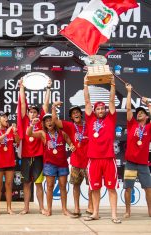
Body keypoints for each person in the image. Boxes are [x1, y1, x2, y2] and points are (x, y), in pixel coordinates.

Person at [83, 75, 121, 224]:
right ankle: (96, 213)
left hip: (108, 159)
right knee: (95, 188)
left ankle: (114, 215)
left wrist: (112, 85)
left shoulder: (110, 119)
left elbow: (111, 101)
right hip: (93, 159)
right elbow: (87, 101)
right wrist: (85, 84)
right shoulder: (90, 119)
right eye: (97, 109)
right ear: (94, 110)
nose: (100, 110)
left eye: (102, 108)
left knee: (112, 188)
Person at [27, 114, 75, 216]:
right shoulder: (43, 134)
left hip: (62, 164)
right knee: (49, 187)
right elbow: (29, 134)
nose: (49, 122)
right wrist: (32, 124)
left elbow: (70, 143)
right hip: (49, 165)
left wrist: (72, 146)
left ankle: (64, 209)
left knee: (62, 187)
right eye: (46, 121)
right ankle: (49, 209)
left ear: (55, 122)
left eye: (51, 120)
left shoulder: (62, 133)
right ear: (44, 123)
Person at [52, 101, 93, 218]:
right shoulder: (70, 126)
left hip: (89, 161)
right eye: (73, 113)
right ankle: (76, 207)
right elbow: (55, 120)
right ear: (71, 117)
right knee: (76, 185)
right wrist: (54, 107)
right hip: (76, 161)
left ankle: (90, 206)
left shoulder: (89, 125)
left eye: (77, 112)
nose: (75, 114)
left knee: (91, 186)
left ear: (81, 114)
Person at [17, 78, 51, 215]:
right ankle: (26, 208)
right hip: (26, 156)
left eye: (35, 112)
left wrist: (48, 88)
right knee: (26, 184)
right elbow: (23, 103)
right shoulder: (25, 120)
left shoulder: (41, 123)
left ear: (38, 114)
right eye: (30, 112)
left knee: (38, 184)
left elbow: (46, 105)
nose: (32, 114)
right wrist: (22, 87)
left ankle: (41, 207)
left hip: (38, 157)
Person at [124, 84, 151, 218]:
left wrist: (149, 104)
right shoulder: (132, 124)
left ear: (147, 117)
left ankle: (150, 211)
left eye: (142, 113)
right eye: (138, 112)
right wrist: (129, 92)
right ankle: (127, 211)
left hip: (143, 164)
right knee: (128, 188)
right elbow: (129, 108)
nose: (139, 113)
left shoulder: (149, 128)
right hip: (130, 163)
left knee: (148, 188)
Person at [0, 111, 20, 216]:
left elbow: (17, 141)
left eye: (7, 116)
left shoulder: (10, 130)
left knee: (9, 186)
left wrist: (15, 132)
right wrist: (6, 134)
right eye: (4, 117)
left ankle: (9, 208)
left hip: (10, 161)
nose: (7, 118)